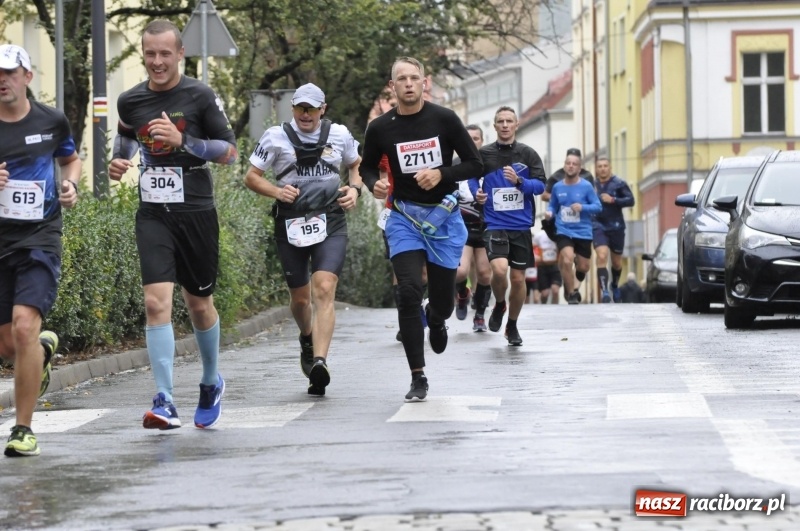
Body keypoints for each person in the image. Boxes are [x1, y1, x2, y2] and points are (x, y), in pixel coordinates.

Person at [108, 20, 238, 430]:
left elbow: (229, 152)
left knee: (199, 305)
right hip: (153, 213)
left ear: (180, 53)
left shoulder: (199, 95)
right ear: (143, 54)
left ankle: (210, 380)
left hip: (196, 211)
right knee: (155, 302)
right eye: (150, 54)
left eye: (165, 54)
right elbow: (127, 136)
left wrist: (184, 143)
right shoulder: (130, 100)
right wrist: (120, 159)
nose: (157, 62)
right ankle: (164, 399)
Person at [361, 57, 482, 402]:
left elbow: (476, 162)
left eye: (415, 78)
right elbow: (368, 168)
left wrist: (442, 174)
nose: (409, 84)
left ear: (424, 83)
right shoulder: (381, 128)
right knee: (408, 291)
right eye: (402, 79)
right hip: (404, 218)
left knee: (441, 301)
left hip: (442, 218)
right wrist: (375, 185)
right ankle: (418, 376)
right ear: (393, 86)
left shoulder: (443, 119)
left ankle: (438, 317)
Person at [245, 83, 362, 396]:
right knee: (300, 299)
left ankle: (320, 362)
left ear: (323, 109)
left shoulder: (339, 134)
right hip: (291, 221)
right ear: (293, 109)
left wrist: (354, 190)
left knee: (323, 287)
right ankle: (307, 337)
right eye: (300, 108)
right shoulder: (275, 136)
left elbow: (355, 163)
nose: (306, 114)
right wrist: (276, 191)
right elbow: (251, 177)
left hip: (330, 219)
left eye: (312, 108)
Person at [0, 44, 81, 456]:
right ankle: (43, 351)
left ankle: (22, 429)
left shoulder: (51, 121)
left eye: (10, 72)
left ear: (27, 77)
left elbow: (70, 159)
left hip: (39, 237)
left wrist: (71, 185)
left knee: (24, 326)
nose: (2, 79)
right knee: (11, 346)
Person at [470, 106, 545, 346]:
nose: (504, 125)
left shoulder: (528, 154)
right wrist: (477, 193)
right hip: (494, 222)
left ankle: (511, 325)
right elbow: (471, 177)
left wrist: (521, 182)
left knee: (519, 279)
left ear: (516, 125)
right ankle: (500, 303)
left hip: (521, 225)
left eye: (508, 121)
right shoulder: (485, 154)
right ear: (494, 126)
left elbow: (541, 186)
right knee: (500, 270)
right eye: (500, 121)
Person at [545, 150, 601, 304]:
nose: (570, 166)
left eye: (574, 164)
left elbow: (598, 206)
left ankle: (575, 282)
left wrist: (583, 208)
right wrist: (549, 213)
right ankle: (571, 293)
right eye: (568, 163)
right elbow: (552, 205)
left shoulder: (586, 186)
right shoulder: (557, 187)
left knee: (583, 267)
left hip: (583, 231)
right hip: (563, 230)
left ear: (579, 168)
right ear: (564, 166)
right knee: (567, 259)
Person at [454, 125, 492, 331]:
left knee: (485, 274)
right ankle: (462, 293)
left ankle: (479, 315)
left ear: (482, 141)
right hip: (462, 227)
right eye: (468, 138)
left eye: (476, 138)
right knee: (460, 272)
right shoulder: (454, 165)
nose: (472, 142)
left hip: (486, 226)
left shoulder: (490, 165)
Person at [592, 157, 635, 302]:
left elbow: (631, 200)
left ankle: (614, 285)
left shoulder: (619, 183)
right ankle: (604, 291)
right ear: (596, 169)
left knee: (616, 262)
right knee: (602, 256)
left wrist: (614, 200)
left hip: (616, 225)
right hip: (598, 224)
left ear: (610, 168)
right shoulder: (592, 185)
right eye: (600, 166)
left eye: (605, 166)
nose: (603, 168)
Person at [532, 229, 561, 304]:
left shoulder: (558, 233)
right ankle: (543, 306)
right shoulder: (539, 235)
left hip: (555, 265)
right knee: (545, 293)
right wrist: (536, 256)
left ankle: (555, 309)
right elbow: (532, 247)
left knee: (555, 290)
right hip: (542, 266)